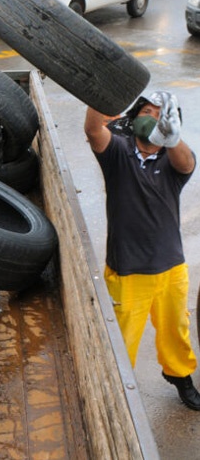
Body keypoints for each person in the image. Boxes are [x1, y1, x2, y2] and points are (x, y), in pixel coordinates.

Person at [84, 91, 200, 410]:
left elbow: (188, 163)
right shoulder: (118, 153)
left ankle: (180, 376)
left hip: (171, 268)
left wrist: (172, 139)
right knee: (123, 339)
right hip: (128, 271)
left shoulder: (173, 161)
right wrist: (100, 89)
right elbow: (93, 130)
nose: (152, 118)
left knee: (176, 330)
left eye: (161, 115)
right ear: (134, 117)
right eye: (147, 111)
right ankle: (118, 392)